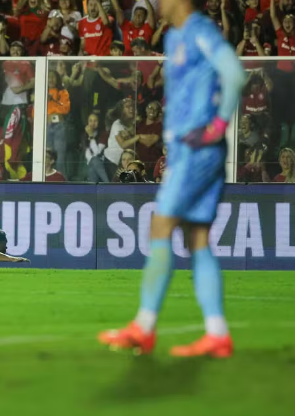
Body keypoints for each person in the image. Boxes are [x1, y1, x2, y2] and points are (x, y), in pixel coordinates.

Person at [98, 0, 246, 357]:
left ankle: (144, 327)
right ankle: (217, 333)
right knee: (196, 238)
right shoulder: (175, 37)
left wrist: (218, 125)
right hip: (187, 149)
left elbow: (235, 74)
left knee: (160, 225)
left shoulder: (199, 32)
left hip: (196, 149)